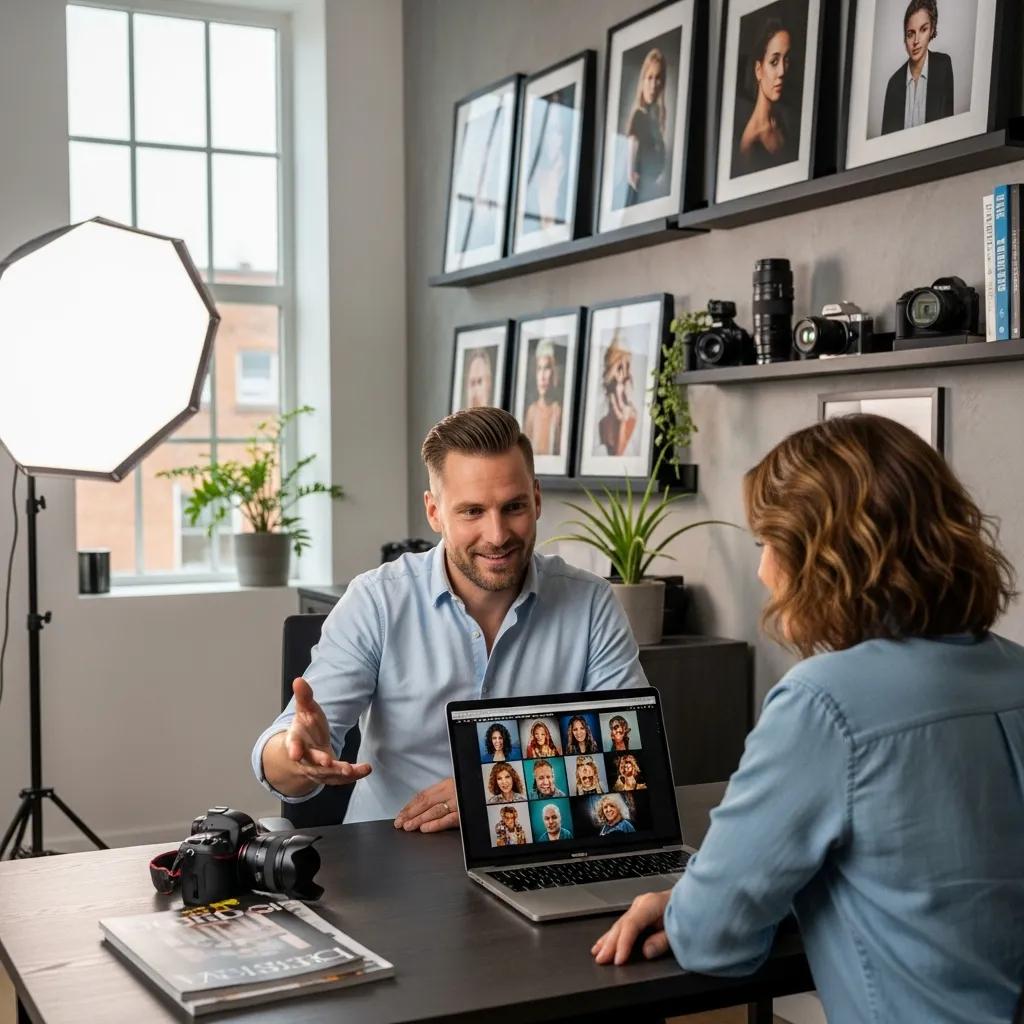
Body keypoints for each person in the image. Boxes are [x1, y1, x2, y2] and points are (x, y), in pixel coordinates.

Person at [590, 414, 1024, 1024]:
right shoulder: (1016, 670)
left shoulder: (825, 704)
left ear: (828, 556)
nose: (764, 571)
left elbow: (717, 940)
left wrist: (687, 903)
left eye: (769, 543)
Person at [252, 407, 647, 830]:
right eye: (472, 511)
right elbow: (281, 757)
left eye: (512, 507)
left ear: (535, 499)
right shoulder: (376, 601)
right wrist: (297, 758)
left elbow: (634, 762)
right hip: (394, 854)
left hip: (539, 845)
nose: (497, 535)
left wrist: (495, 788)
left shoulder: (590, 604)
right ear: (435, 512)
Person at [733, 18, 799, 177]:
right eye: (774, 61)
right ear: (758, 70)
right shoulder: (750, 142)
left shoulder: (783, 119)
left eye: (786, 59)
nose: (782, 71)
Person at [881, 0, 953, 135]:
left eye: (923, 29)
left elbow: (948, 132)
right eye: (910, 34)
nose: (916, 41)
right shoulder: (893, 84)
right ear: (905, 39)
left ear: (932, 30)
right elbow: (886, 144)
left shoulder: (943, 66)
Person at [625, 48, 669, 206]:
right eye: (649, 77)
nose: (653, 85)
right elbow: (631, 176)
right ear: (642, 81)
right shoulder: (639, 117)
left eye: (658, 78)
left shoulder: (656, 119)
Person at [597, 338, 638, 458]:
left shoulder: (631, 415)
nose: (624, 374)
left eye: (627, 367)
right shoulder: (603, 423)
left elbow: (620, 451)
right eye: (620, 367)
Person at [522, 340, 562, 457]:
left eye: (547, 368)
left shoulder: (558, 411)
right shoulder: (532, 411)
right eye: (539, 369)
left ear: (554, 372)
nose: (542, 376)